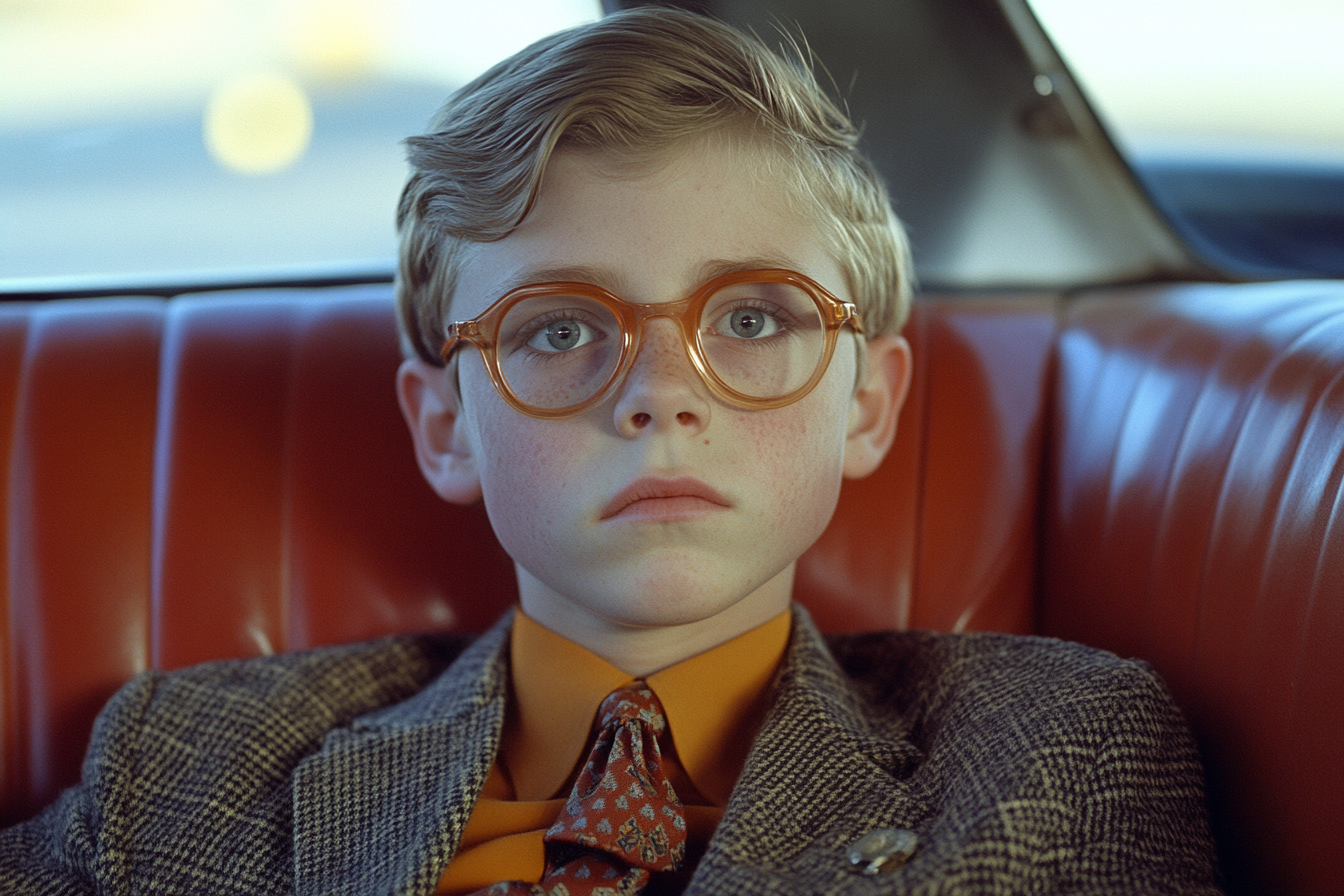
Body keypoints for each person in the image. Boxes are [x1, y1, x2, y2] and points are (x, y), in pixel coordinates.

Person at [0, 7, 1222, 894]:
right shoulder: (189, 765)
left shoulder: (1052, 759)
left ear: (867, 403)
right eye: (560, 329)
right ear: (445, 426)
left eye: (752, 319)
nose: (657, 396)